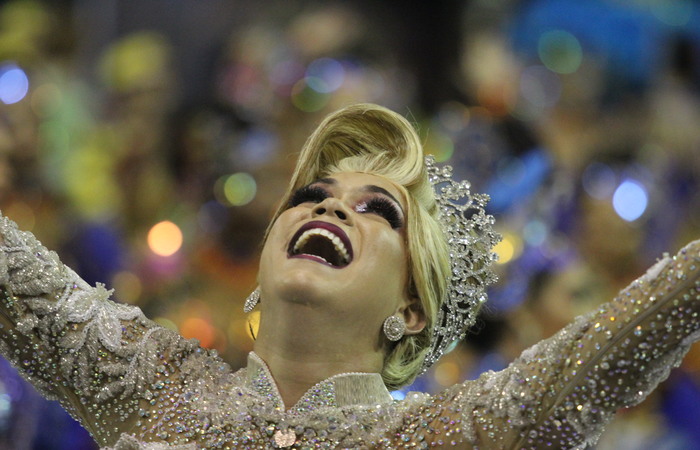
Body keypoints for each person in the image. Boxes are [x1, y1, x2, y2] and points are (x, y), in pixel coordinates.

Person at [0, 103, 698, 449]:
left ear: (413, 305)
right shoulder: (145, 378)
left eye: (378, 211)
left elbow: (619, 342)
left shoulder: (445, 432)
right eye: (310, 195)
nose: (330, 204)